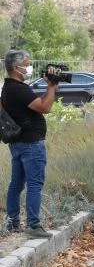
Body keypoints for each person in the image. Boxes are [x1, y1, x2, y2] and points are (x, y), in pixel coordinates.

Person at [2, 50, 58, 238]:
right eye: (26, 64)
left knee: (16, 183)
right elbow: (45, 107)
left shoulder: (7, 87)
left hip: (18, 143)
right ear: (16, 68)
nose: (28, 67)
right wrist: (52, 86)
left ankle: (12, 222)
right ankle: (33, 225)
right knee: (35, 184)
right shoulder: (19, 89)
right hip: (31, 144)